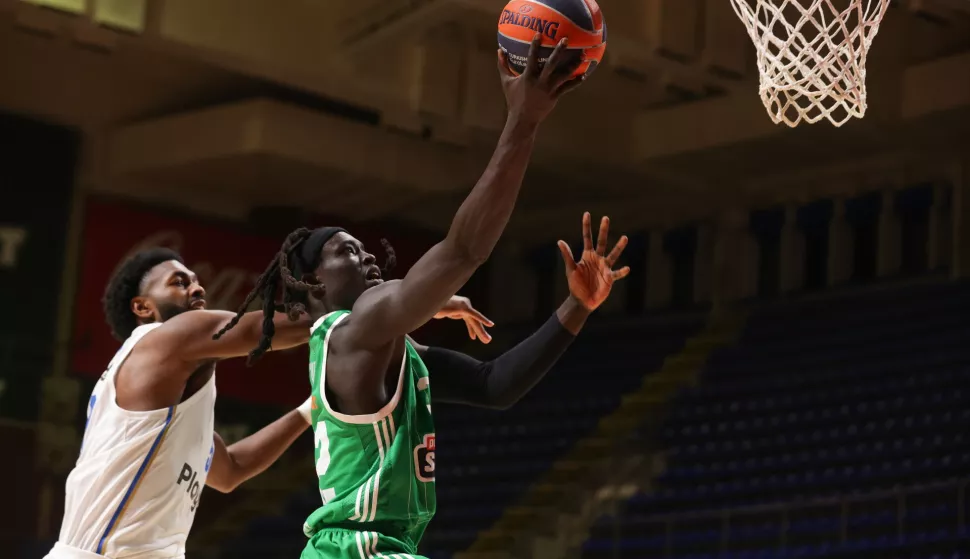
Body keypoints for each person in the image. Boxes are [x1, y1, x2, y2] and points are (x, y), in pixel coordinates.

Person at [218, 35, 628, 559]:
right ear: (312, 284)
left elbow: (493, 385)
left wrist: (577, 306)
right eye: (346, 252)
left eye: (364, 249)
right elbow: (461, 251)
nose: (366, 257)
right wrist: (522, 122)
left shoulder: (381, 349)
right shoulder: (349, 334)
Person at [45, 248, 490, 559]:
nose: (198, 290)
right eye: (180, 283)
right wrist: (410, 302)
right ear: (142, 307)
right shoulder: (165, 339)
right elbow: (275, 327)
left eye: (198, 281)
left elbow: (230, 470)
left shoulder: (165, 394)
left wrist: (309, 409)